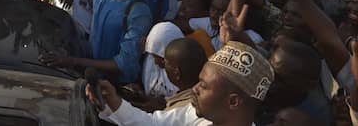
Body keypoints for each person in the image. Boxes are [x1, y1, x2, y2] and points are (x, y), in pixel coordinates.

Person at [91, 40, 274, 126]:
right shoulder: (196, 116)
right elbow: (152, 124)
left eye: (203, 85)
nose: (194, 89)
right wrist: (114, 103)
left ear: (233, 101)